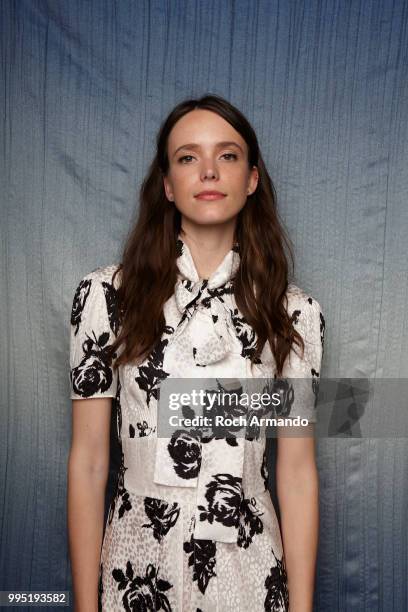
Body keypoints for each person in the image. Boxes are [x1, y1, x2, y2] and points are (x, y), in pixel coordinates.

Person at [67, 94, 325, 612]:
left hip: (251, 568)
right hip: (137, 566)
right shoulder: (104, 297)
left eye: (227, 156)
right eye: (188, 157)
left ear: (252, 178)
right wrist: (84, 604)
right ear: (167, 184)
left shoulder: (295, 314)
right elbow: (90, 461)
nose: (208, 170)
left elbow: (296, 471)